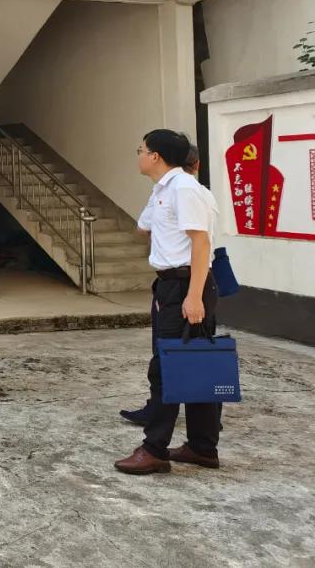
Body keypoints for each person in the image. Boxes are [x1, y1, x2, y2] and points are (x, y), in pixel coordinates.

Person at [115, 130, 221, 475]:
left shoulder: (184, 189)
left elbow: (200, 243)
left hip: (187, 285)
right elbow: (145, 227)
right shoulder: (164, 189)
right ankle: (202, 447)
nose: (138, 155)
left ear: (156, 156)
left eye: (141, 149)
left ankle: (154, 448)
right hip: (171, 285)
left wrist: (193, 296)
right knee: (192, 365)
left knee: (167, 368)